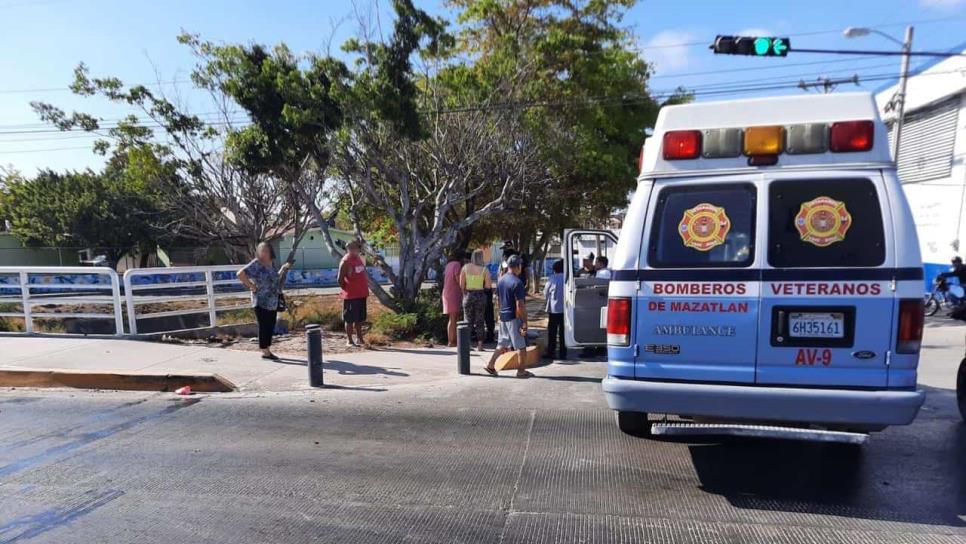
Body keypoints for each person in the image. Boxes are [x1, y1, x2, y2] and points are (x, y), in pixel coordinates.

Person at [237, 242, 291, 360]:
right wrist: (251, 285)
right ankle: (265, 351)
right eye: (261, 250)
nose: (263, 253)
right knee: (264, 325)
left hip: (272, 301)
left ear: (271, 252)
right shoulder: (256, 264)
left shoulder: (271, 264)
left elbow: (274, 279)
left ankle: (267, 348)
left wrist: (283, 269)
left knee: (271, 325)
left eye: (266, 250)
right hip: (260, 301)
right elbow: (240, 274)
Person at [484, 254, 534, 378]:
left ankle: (491, 365)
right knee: (521, 347)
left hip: (504, 317)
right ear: (518, 266)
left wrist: (499, 315)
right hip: (514, 318)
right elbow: (520, 305)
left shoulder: (501, 280)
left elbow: (498, 300)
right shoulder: (518, 283)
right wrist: (524, 322)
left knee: (502, 344)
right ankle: (521, 371)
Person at [338, 240, 369, 347]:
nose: (355, 250)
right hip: (351, 295)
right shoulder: (346, 261)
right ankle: (349, 341)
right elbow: (340, 279)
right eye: (352, 248)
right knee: (350, 319)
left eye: (357, 248)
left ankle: (360, 339)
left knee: (359, 319)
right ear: (348, 249)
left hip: (361, 294)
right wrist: (347, 289)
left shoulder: (358, 258)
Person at [460, 249, 491, 351]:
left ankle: (467, 344)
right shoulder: (484, 269)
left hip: (468, 294)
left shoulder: (465, 268)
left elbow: (461, 284)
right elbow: (488, 285)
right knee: (480, 320)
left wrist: (465, 292)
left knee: (467, 320)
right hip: (480, 295)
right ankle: (480, 344)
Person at [543, 259, 566, 360]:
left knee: (552, 332)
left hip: (553, 309)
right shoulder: (566, 278)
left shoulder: (551, 278)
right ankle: (563, 353)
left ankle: (551, 352)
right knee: (563, 332)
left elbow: (545, 293)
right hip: (565, 310)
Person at [442, 251, 464, 347]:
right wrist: (464, 288)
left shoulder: (448, 265)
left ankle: (452, 340)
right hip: (453, 293)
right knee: (453, 318)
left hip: (447, 292)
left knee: (452, 318)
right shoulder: (457, 265)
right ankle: (452, 341)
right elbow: (458, 279)